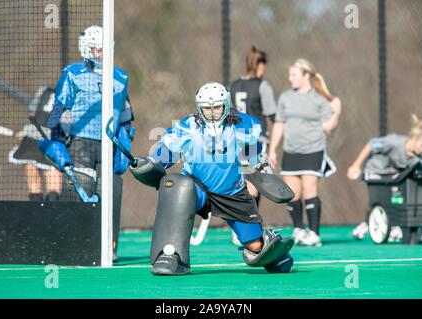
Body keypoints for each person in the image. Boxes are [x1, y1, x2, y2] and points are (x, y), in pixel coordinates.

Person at [129, 82, 295, 276]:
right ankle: (171, 255)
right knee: (176, 186)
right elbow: (165, 153)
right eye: (207, 109)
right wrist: (150, 163)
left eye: (217, 107)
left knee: (256, 247)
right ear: (199, 108)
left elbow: (254, 157)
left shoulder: (243, 125)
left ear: (226, 105)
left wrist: (264, 173)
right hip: (197, 190)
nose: (212, 113)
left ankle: (269, 245)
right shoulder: (188, 127)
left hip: (232, 193)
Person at [45, 25, 135, 262]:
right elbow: (59, 107)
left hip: (110, 144)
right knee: (80, 191)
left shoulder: (121, 76)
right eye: (97, 50)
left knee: (112, 192)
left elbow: (126, 114)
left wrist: (126, 142)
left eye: (105, 50)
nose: (102, 55)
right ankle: (74, 244)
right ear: (87, 49)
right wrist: (55, 138)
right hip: (81, 143)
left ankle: (109, 246)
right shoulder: (73, 73)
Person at [269, 58, 342, 247]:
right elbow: (279, 123)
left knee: (310, 188)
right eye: (290, 74)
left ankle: (315, 233)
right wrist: (272, 150)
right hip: (291, 151)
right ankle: (299, 229)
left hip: (313, 149)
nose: (290, 78)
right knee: (292, 193)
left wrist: (336, 113)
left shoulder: (319, 99)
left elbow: (329, 126)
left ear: (306, 76)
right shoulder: (285, 97)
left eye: (294, 74)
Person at [347, 114, 422, 241]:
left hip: (392, 174)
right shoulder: (394, 142)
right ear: (414, 139)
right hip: (375, 170)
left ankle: (395, 224)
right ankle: (366, 224)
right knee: (378, 199)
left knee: (397, 196)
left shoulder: (416, 158)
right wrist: (355, 165)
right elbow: (371, 144)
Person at [230, 46, 276, 207]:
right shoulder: (262, 86)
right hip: (257, 141)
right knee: (255, 183)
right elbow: (274, 115)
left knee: (241, 181)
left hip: (236, 140)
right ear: (259, 65)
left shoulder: (233, 86)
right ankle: (249, 223)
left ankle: (241, 224)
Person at [8, 87, 63, 201]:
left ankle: (36, 214)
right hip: (51, 142)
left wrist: (26, 131)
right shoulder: (72, 95)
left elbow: (34, 114)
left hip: (33, 141)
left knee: (34, 180)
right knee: (53, 183)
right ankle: (50, 214)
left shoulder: (45, 90)